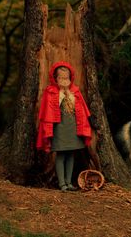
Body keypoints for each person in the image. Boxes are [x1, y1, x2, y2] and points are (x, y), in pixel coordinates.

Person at [36, 61, 92, 192]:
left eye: (66, 78)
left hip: (73, 127)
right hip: (59, 128)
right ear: (55, 78)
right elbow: (48, 110)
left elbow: (82, 109)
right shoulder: (51, 92)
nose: (64, 80)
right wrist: (62, 92)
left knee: (71, 154)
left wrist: (68, 92)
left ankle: (69, 182)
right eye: (61, 77)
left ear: (70, 77)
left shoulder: (75, 91)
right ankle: (62, 184)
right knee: (61, 154)